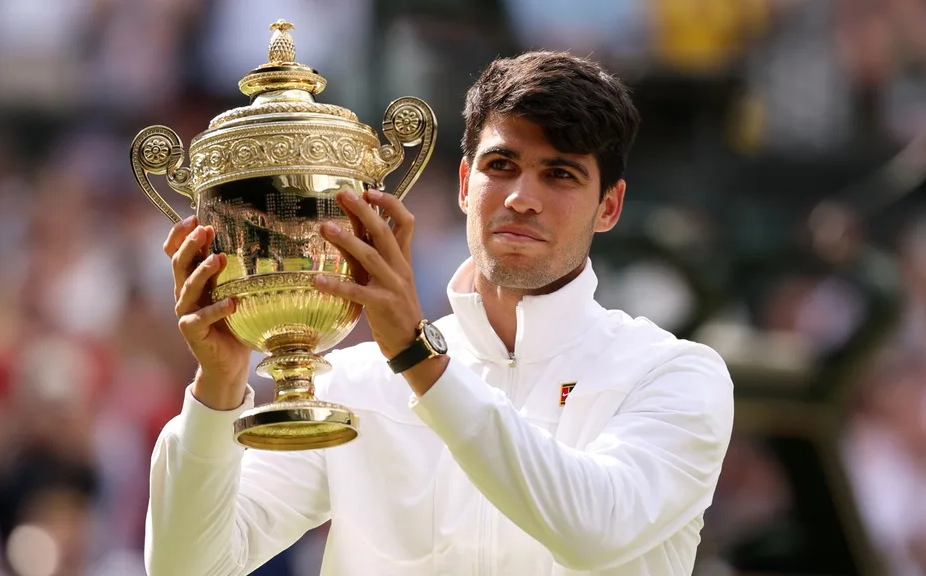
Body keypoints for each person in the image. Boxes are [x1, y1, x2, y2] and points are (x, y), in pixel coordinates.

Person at [144, 51, 735, 576]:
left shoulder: (676, 375)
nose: (520, 198)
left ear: (610, 206)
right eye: (500, 166)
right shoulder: (353, 385)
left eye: (559, 174)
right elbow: (188, 568)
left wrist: (416, 356)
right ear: (463, 183)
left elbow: (594, 532)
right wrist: (217, 390)